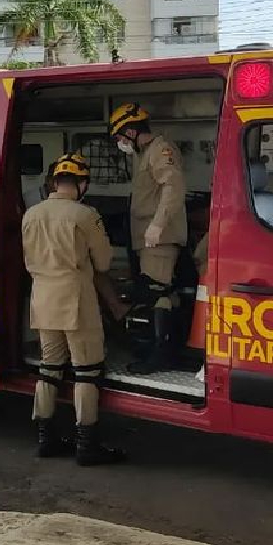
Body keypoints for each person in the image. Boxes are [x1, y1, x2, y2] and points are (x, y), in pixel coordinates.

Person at [22, 153, 124, 466]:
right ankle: (87, 445)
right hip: (76, 300)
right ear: (81, 184)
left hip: (42, 298)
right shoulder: (85, 215)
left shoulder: (31, 214)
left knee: (49, 369)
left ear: (54, 182)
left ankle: (46, 438)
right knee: (87, 371)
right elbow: (104, 262)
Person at [108, 102, 187, 374]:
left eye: (119, 135)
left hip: (158, 239)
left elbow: (173, 186)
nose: (119, 141)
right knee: (163, 292)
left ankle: (161, 355)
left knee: (158, 294)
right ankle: (167, 348)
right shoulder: (143, 154)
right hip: (148, 239)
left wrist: (157, 225)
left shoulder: (159, 150)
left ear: (131, 131)